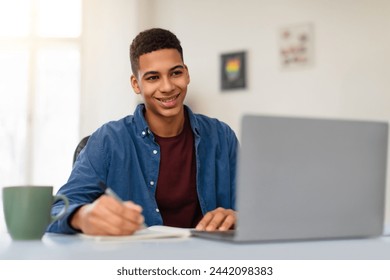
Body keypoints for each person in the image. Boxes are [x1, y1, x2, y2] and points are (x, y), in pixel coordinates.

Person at [47, 28, 239, 236]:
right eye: (153, 77)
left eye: (176, 73)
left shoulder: (222, 137)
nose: (167, 87)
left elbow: (255, 209)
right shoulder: (108, 141)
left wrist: (239, 216)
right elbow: (54, 210)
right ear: (135, 84)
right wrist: (83, 216)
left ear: (187, 73)